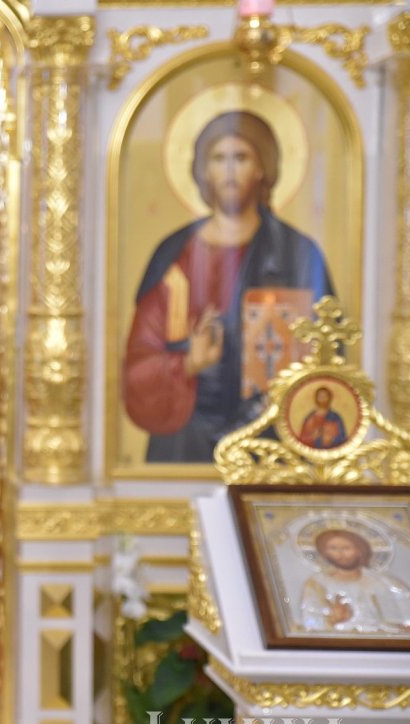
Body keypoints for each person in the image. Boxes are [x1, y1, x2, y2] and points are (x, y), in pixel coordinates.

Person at [122, 110, 334, 463]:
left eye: (242, 157)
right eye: (219, 159)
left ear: (262, 168)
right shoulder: (175, 258)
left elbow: (329, 352)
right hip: (185, 442)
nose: (230, 170)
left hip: (270, 442)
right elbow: (137, 366)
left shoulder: (296, 254)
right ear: (203, 171)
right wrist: (188, 363)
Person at [299, 528, 410, 633]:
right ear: (324, 552)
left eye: (346, 548)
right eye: (333, 548)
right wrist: (332, 620)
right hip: (341, 642)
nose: (340, 553)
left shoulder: (384, 582)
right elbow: (310, 620)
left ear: (360, 550)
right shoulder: (318, 583)